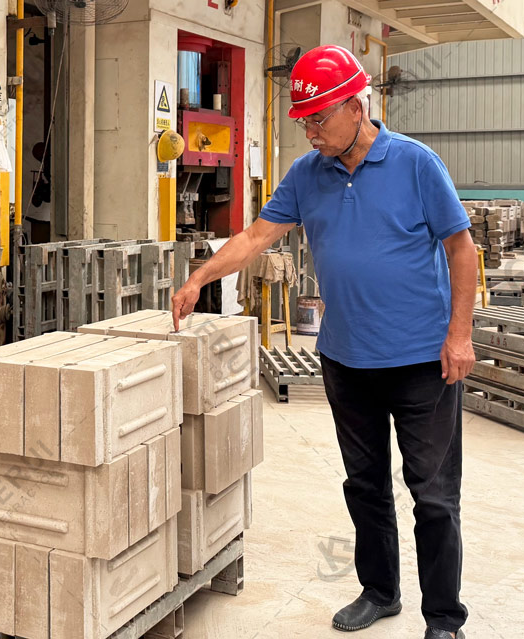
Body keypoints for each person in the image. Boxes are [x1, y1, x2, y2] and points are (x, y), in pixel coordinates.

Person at [171, 45, 476, 639]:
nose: (310, 132)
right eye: (304, 122)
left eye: (318, 119)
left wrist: (460, 334)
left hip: (423, 362)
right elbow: (257, 235)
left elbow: (461, 248)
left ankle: (444, 619)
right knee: (364, 484)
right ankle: (380, 592)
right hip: (346, 360)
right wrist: (200, 277)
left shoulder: (416, 164)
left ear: (357, 107)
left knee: (434, 495)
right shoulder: (307, 173)